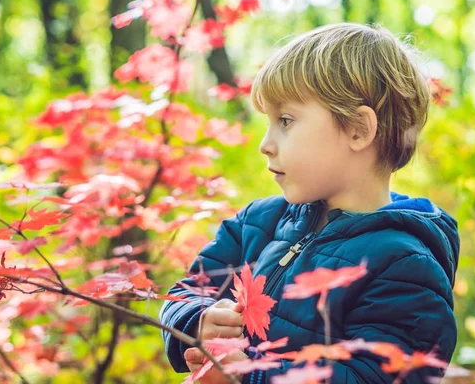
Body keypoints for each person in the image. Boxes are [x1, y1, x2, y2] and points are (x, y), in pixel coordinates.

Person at [159, 22, 459, 383]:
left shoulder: (405, 264)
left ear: (358, 130)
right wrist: (197, 320)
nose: (265, 144)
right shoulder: (258, 223)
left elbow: (371, 378)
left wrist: (247, 379)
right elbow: (185, 293)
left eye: (285, 120)